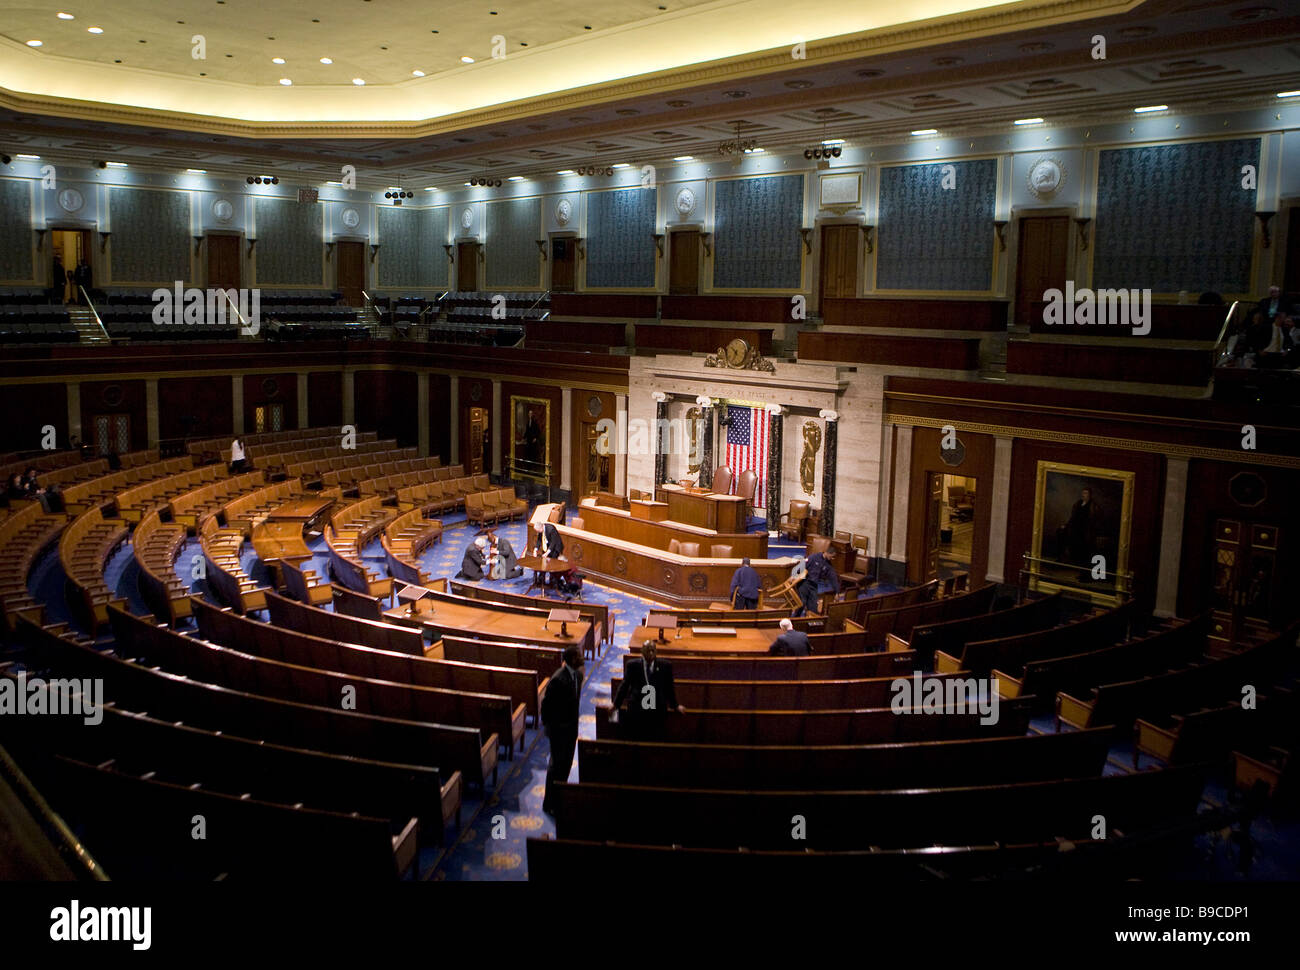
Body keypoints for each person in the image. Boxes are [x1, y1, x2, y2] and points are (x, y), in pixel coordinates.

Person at [540, 645, 584, 815]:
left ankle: (560, 798)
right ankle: (549, 803)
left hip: (571, 729)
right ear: (572, 660)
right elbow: (546, 706)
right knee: (555, 767)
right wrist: (549, 728)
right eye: (579, 656)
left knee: (566, 765)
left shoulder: (578, 676)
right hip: (558, 731)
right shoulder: (558, 679)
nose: (581, 658)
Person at [611, 639, 684, 740]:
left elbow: (669, 688)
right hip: (637, 709)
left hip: (657, 709)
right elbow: (625, 685)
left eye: (653, 650)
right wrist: (615, 705)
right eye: (648, 650)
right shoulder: (632, 666)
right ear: (642, 651)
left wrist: (675, 706)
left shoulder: (665, 666)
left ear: (656, 652)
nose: (650, 653)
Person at [797, 550, 839, 616]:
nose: (833, 559)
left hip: (814, 586)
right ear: (827, 552)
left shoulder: (828, 565)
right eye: (832, 556)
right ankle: (794, 620)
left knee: (814, 609)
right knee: (802, 603)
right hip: (804, 583)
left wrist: (837, 592)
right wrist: (794, 577)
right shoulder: (813, 557)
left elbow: (833, 578)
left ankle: (808, 622)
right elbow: (801, 566)